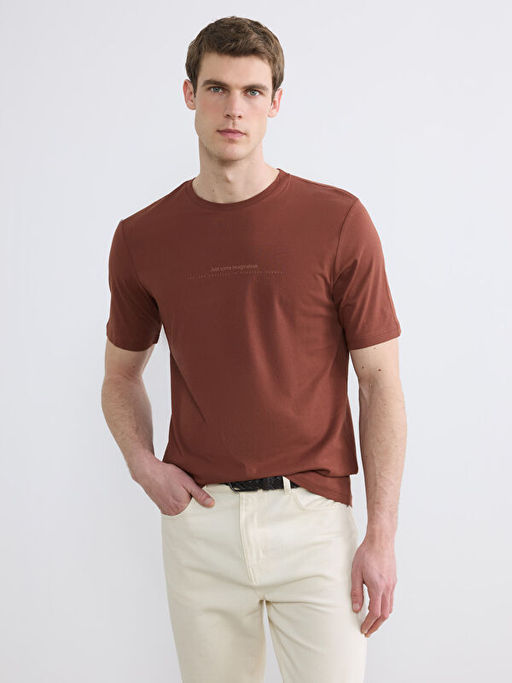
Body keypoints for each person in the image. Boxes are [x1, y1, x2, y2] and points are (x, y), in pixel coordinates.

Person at [101, 15, 407, 683]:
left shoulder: (338, 221)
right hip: (200, 523)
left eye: (252, 91)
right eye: (216, 88)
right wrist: (142, 465)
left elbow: (380, 381)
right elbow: (120, 375)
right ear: (190, 94)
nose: (233, 109)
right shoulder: (142, 237)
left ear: (275, 102)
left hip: (314, 521)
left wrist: (380, 535)